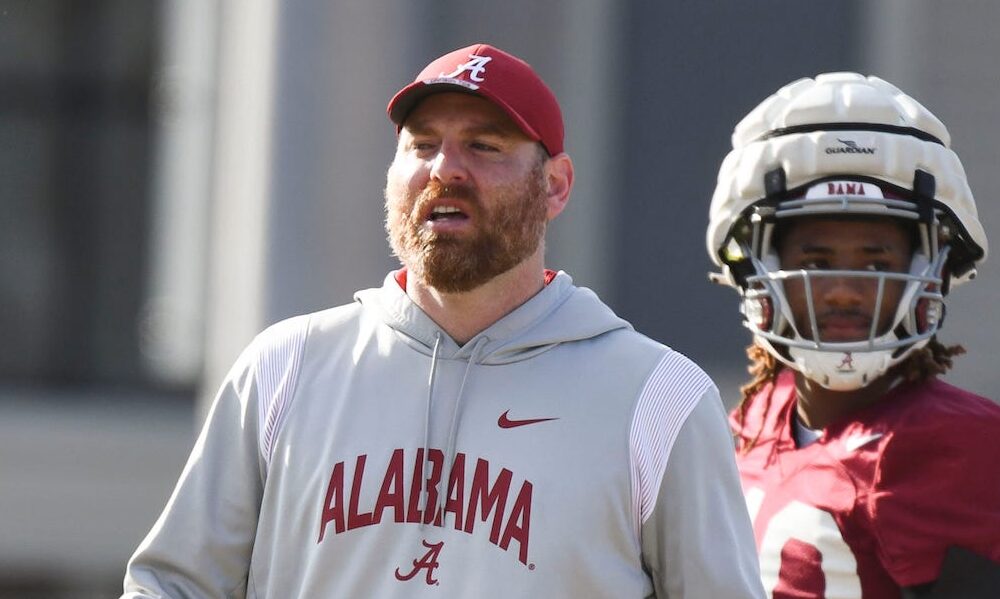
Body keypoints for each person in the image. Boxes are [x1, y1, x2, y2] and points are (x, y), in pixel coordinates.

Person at [123, 43, 764, 598]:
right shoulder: (286, 369)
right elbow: (173, 584)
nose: (446, 169)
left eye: (484, 147)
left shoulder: (657, 398)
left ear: (556, 186)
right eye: (422, 145)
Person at [706, 72, 1000, 598]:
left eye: (876, 261)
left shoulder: (961, 445)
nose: (843, 291)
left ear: (930, 271)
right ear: (758, 271)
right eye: (816, 261)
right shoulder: (760, 421)